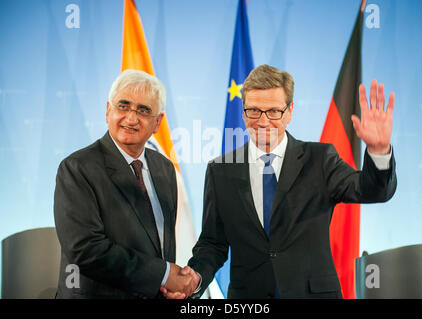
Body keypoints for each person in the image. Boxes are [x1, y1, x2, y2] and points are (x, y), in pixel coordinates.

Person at [164, 64, 397, 299]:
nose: (263, 122)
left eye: (274, 111)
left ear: (290, 111)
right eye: (254, 111)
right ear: (243, 112)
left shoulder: (320, 159)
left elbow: (372, 190)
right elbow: (213, 244)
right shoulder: (220, 171)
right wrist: (194, 280)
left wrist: (379, 151)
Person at [54, 69, 199, 298]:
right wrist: (163, 275)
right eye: (123, 106)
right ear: (108, 110)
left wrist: (168, 286)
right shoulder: (78, 168)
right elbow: (85, 249)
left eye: (143, 110)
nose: (131, 118)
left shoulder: (164, 168)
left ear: (157, 122)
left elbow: (161, 246)